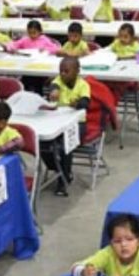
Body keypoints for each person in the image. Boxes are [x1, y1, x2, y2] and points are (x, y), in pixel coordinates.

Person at [44, 57, 89, 195]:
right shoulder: (58, 80)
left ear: (77, 71)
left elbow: (85, 103)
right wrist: (54, 92)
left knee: (65, 146)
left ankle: (63, 179)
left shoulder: (83, 85)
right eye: (61, 71)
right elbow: (54, 86)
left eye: (67, 71)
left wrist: (76, 104)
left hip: (77, 123)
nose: (63, 74)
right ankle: (58, 169)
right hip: (58, 121)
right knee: (44, 145)